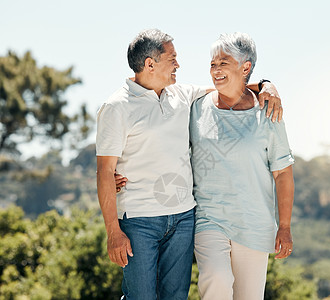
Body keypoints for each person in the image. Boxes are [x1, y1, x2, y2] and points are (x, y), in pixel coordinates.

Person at [97, 28, 283, 300]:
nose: (178, 64)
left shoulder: (182, 95)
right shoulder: (116, 107)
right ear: (150, 64)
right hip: (139, 221)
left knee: (175, 296)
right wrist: (113, 232)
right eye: (172, 58)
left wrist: (267, 84)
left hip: (184, 218)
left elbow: (231, 84)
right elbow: (104, 172)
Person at [189, 32, 295, 300]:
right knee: (217, 280)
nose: (215, 70)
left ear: (245, 67)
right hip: (209, 219)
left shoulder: (269, 111)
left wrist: (284, 226)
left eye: (223, 62)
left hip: (254, 223)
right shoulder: (197, 108)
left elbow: (282, 173)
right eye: (213, 64)